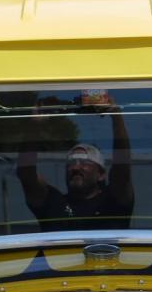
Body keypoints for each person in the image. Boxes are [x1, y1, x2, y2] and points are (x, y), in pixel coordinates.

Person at [16, 97, 135, 231]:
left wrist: (116, 116)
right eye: (71, 163)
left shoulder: (113, 201)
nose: (76, 167)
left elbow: (122, 168)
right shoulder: (53, 203)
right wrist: (34, 125)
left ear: (101, 174)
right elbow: (26, 173)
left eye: (85, 162)